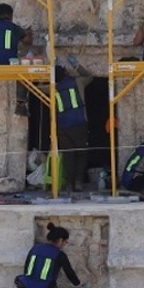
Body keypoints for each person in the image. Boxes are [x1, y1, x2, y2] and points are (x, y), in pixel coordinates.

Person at [15, 222, 82, 288]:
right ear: (60, 240)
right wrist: (78, 284)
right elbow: (70, 273)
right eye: (65, 242)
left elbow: (27, 267)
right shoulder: (59, 255)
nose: (65, 244)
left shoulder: (35, 248)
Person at [54, 57, 95, 191]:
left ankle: (69, 183)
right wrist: (76, 65)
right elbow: (89, 76)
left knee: (68, 155)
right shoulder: (78, 82)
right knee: (81, 153)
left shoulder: (52, 88)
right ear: (66, 72)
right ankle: (78, 181)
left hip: (62, 126)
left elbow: (36, 87)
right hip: (79, 123)